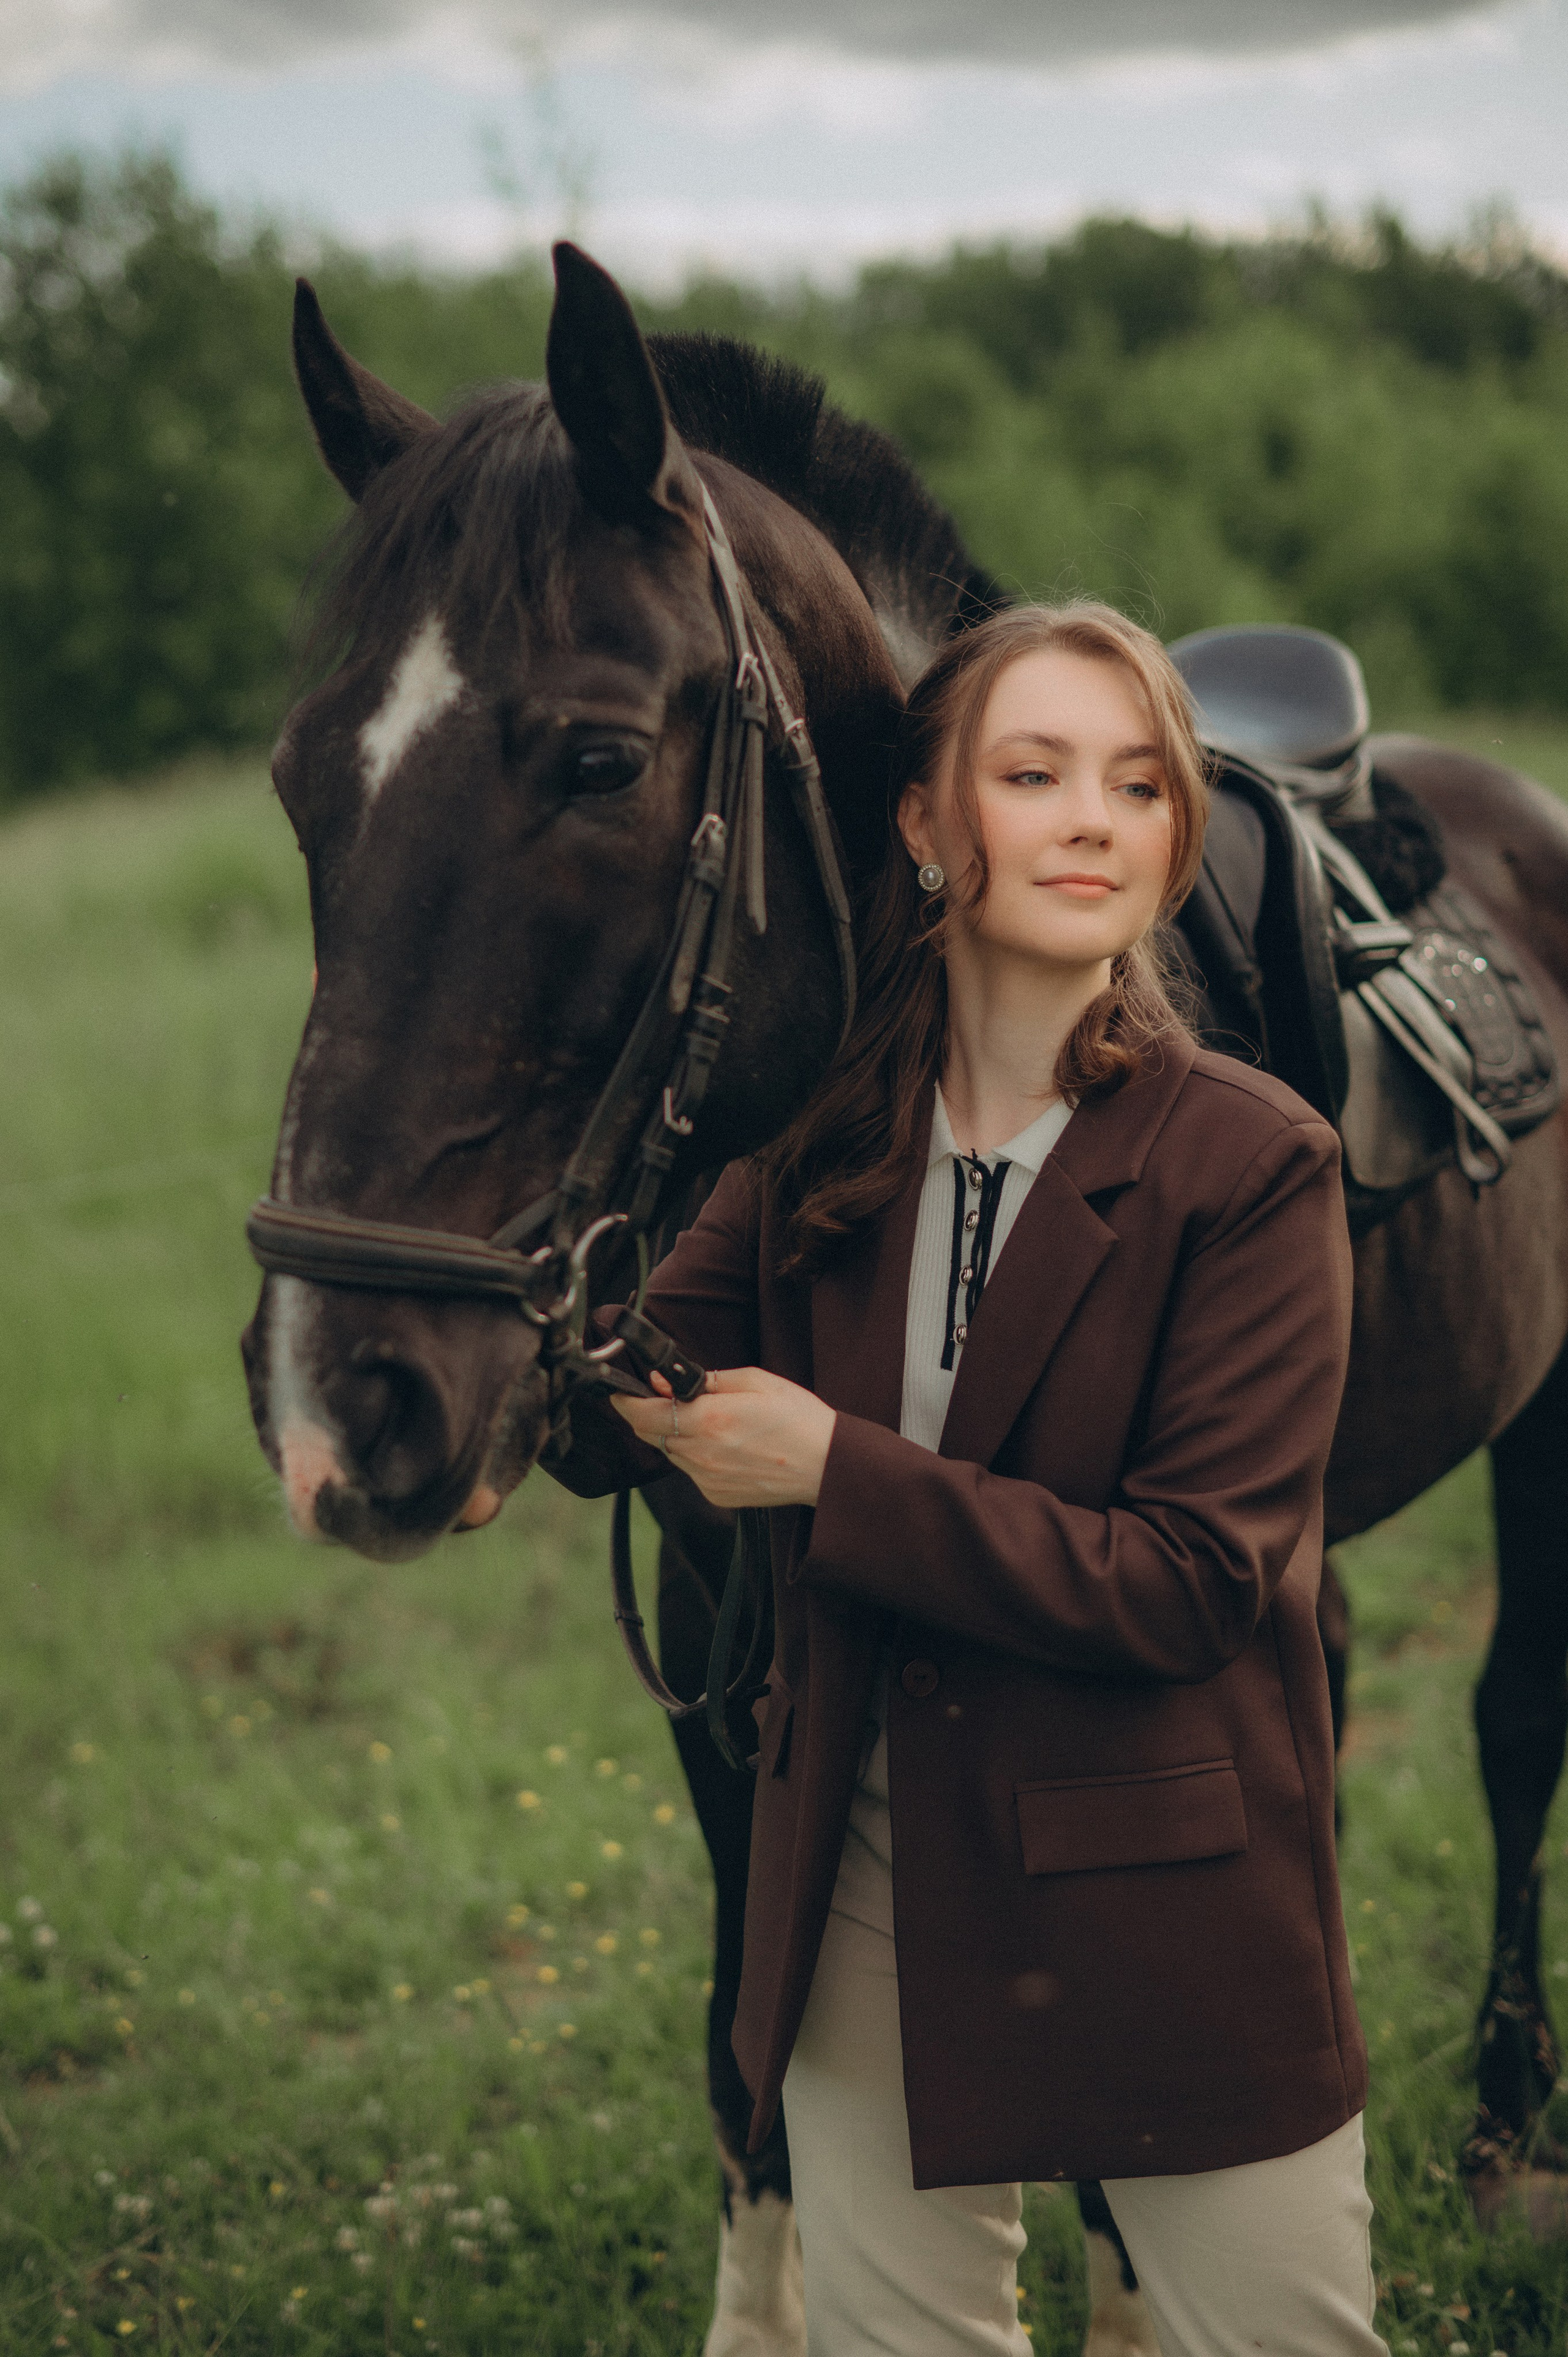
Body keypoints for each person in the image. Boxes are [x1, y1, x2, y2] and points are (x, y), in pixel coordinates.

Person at [549, 602, 1384, 2357]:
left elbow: (1187, 1583)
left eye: (1140, 784)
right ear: (929, 827)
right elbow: (629, 1365)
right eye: (1035, 773)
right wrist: (497, 1338)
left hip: (1170, 1886)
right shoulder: (818, 1142)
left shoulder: (1255, 1163)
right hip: (863, 1858)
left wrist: (832, 1473)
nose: (1094, 818)